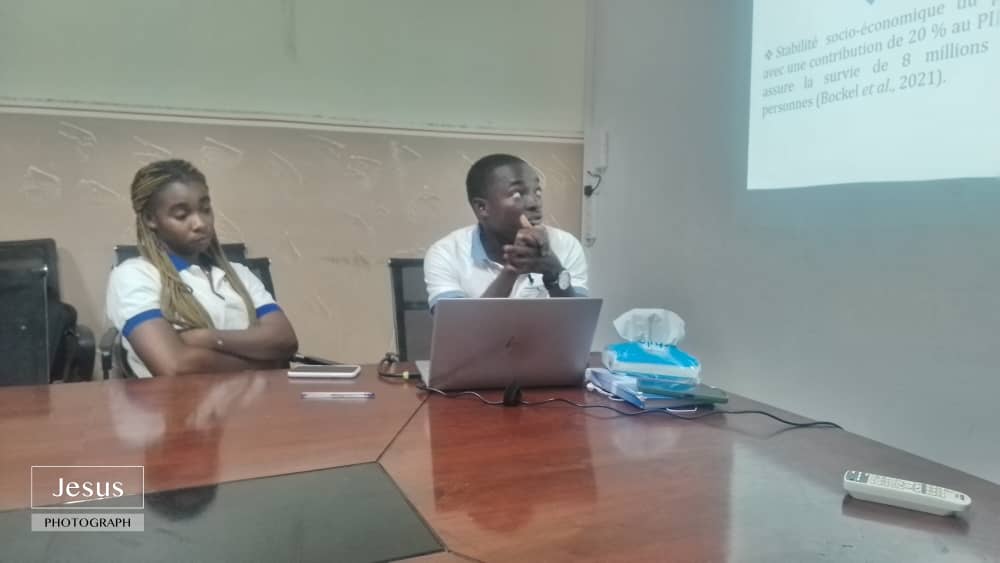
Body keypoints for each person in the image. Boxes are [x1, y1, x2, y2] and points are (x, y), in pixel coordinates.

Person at [106, 159, 298, 378]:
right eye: (181, 215)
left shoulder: (239, 273)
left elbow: (285, 340)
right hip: (180, 400)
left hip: (259, 398)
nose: (200, 223)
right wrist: (269, 363)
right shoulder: (134, 275)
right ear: (151, 219)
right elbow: (175, 367)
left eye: (205, 209)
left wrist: (206, 338)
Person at [424, 153, 588, 310]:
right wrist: (511, 271)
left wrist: (555, 272)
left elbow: (579, 322)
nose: (534, 203)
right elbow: (458, 326)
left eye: (537, 192)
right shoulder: (446, 253)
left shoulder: (566, 244)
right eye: (517, 194)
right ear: (482, 208)